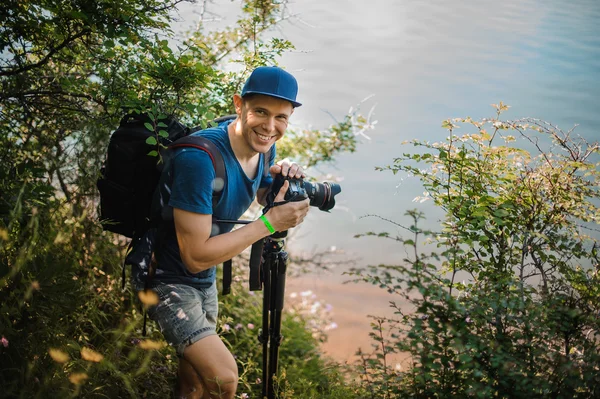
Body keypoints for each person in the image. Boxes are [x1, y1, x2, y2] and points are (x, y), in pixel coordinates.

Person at [131, 66, 310, 399]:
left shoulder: (264, 146)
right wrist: (270, 223)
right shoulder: (199, 160)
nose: (270, 127)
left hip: (203, 280)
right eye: (260, 112)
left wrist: (280, 186)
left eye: (281, 118)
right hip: (167, 279)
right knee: (223, 379)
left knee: (194, 384)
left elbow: (258, 191)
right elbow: (196, 256)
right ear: (239, 104)